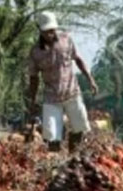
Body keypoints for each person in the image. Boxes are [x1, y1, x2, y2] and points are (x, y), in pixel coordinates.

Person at [26, 12, 98, 152]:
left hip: (72, 93)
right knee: (52, 136)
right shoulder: (35, 52)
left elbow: (77, 59)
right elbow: (33, 78)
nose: (51, 34)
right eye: (47, 32)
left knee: (80, 128)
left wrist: (90, 79)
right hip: (51, 98)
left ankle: (73, 159)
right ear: (40, 30)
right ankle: (56, 163)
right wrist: (32, 101)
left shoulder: (66, 39)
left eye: (52, 30)